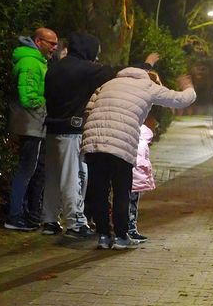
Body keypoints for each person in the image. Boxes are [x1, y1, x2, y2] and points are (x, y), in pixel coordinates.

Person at [42, 33, 157, 237]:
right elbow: (118, 71)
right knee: (75, 177)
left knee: (53, 177)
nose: (96, 58)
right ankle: (76, 223)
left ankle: (49, 220)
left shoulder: (55, 67)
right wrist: (146, 65)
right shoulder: (86, 69)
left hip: (51, 128)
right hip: (72, 131)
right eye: (95, 53)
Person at [82, 68, 195, 250]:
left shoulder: (108, 84)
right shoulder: (147, 85)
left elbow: (89, 108)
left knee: (99, 190)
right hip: (121, 141)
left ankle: (103, 236)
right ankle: (121, 236)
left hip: (94, 140)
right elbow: (180, 99)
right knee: (121, 190)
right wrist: (188, 86)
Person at [5, 28, 56, 231]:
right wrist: (48, 102)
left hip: (31, 124)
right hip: (30, 124)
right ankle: (15, 216)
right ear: (38, 41)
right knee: (26, 170)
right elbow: (28, 98)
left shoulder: (36, 61)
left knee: (29, 169)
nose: (54, 47)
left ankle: (24, 213)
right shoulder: (30, 63)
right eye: (51, 43)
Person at [127, 82, 162, 243]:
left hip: (125, 168)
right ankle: (130, 228)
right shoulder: (143, 133)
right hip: (134, 173)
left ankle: (119, 228)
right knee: (131, 201)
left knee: (121, 198)